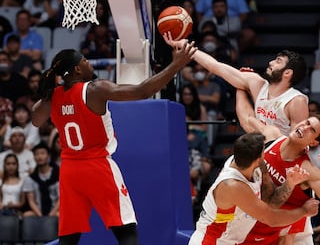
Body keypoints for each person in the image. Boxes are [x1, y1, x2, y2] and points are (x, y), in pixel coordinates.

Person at [31, 45, 196, 245]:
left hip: (69, 171)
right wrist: (176, 65)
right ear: (77, 69)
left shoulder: (52, 97)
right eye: (84, 60)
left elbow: (35, 119)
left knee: (69, 238)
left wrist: (50, 92)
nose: (88, 63)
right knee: (126, 230)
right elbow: (143, 91)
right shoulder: (94, 89)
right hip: (97, 166)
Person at [235, 89, 320, 245]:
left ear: (313, 142)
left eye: (312, 130)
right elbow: (246, 118)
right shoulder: (272, 136)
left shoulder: (308, 169)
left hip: (292, 231)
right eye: (307, 122)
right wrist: (241, 87)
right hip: (259, 221)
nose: (305, 127)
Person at [189, 132, 320, 244]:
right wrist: (303, 211)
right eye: (264, 150)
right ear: (258, 159)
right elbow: (271, 218)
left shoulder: (251, 164)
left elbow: (272, 201)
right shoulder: (233, 185)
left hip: (228, 240)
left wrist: (290, 183)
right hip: (210, 241)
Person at [165, 35, 309, 136]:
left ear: (288, 73)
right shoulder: (257, 83)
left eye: (278, 61)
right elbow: (215, 66)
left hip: (281, 159)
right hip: (259, 149)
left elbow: (299, 142)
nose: (271, 62)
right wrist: (185, 46)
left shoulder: (296, 100)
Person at [22, 142, 59, 218]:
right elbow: (31, 201)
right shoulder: (30, 178)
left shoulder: (59, 175)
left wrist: (51, 214)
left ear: (48, 156)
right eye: (36, 154)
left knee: (63, 215)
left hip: (55, 210)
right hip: (38, 211)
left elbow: (61, 199)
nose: (39, 157)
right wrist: (40, 215)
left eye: (42, 153)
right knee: (26, 215)